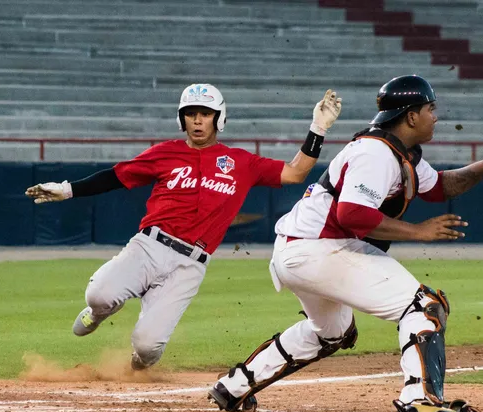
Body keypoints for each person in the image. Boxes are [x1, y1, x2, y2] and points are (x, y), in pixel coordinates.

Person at [205, 75, 483, 412]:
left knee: (333, 332)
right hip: (319, 248)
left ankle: (234, 386)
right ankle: (421, 402)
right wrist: (418, 232)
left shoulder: (395, 152)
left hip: (302, 249)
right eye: (430, 108)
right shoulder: (375, 154)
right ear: (410, 116)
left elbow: (441, 186)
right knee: (424, 305)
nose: (435, 116)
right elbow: (352, 215)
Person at [25, 83, 342, 370]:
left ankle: (138, 363)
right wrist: (67, 190)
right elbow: (116, 177)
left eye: (205, 114)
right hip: (149, 246)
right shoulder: (165, 153)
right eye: (190, 114)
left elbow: (295, 173)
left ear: (219, 118)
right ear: (182, 119)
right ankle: (98, 313)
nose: (197, 121)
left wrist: (318, 128)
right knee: (98, 295)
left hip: (190, 264)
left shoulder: (241, 163)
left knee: (147, 346)